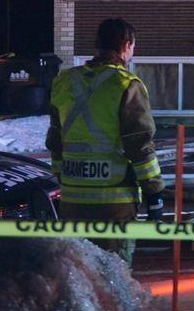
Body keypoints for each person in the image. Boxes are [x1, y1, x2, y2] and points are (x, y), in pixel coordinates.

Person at [45, 18, 164, 265]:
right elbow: (139, 144)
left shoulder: (64, 81)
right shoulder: (127, 84)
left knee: (78, 276)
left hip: (72, 202)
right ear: (127, 45)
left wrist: (63, 178)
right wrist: (155, 195)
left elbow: (55, 141)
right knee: (112, 278)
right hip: (114, 203)